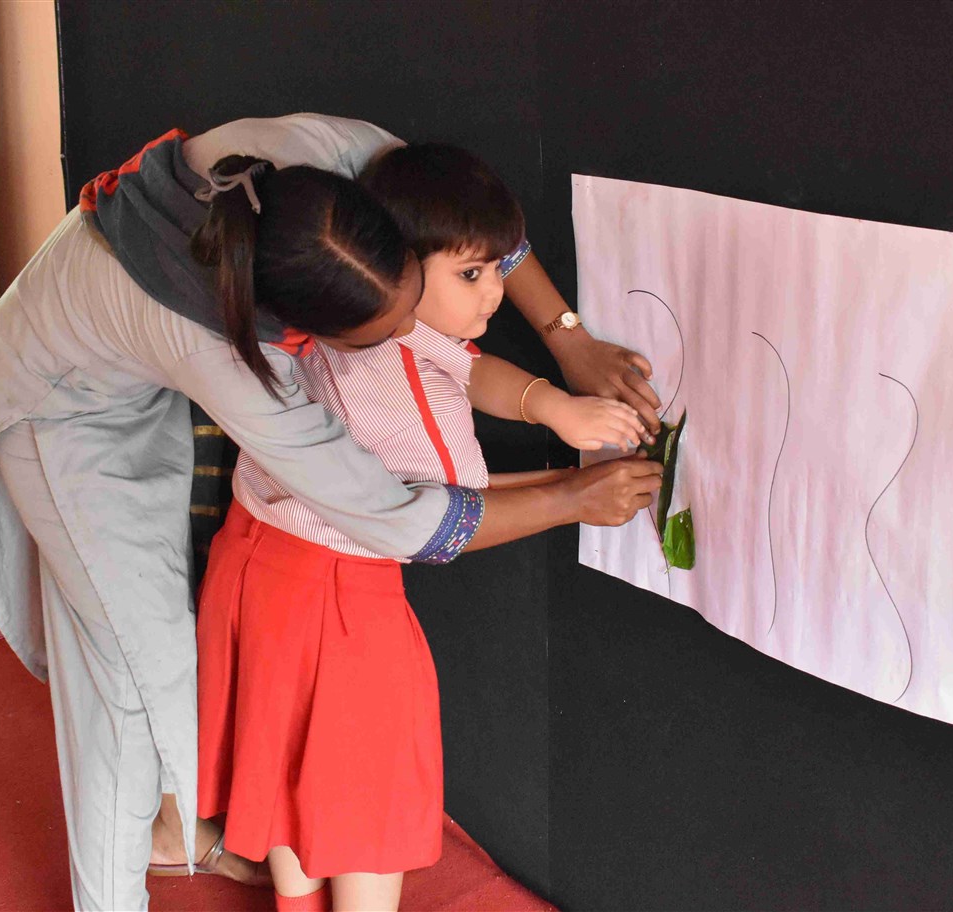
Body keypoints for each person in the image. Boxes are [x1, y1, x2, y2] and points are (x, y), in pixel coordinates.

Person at [0, 114, 660, 911]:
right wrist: (570, 496)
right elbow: (394, 518)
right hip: (60, 403)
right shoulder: (238, 367)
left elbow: (465, 217)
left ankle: (180, 832)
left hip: (148, 379)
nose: (409, 337)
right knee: (129, 669)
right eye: (382, 332)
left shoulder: (335, 158)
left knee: (180, 671)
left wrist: (566, 339)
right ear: (302, 337)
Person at [195, 142, 649, 912]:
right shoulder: (408, 399)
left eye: (497, 268)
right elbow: (449, 519)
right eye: (471, 275)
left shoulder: (346, 301)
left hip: (249, 558)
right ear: (402, 261)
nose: (495, 292)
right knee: (366, 800)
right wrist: (578, 494)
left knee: (286, 764)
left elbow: (463, 364)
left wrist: (551, 405)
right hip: (336, 601)